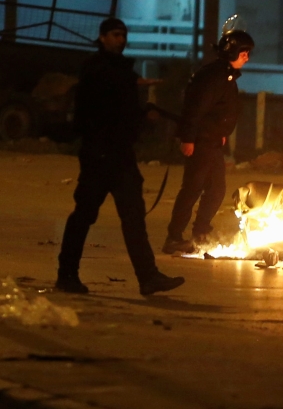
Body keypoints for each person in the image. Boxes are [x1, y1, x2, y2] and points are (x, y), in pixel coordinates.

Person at [56, 18, 185, 295]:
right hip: (99, 155)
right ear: (102, 37)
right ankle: (66, 275)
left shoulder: (122, 71)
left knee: (134, 218)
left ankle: (148, 277)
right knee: (84, 215)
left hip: (120, 156)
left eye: (123, 35)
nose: (120, 39)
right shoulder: (97, 70)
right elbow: (95, 114)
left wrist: (144, 118)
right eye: (115, 35)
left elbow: (125, 113)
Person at [162, 28, 254, 254]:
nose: (247, 58)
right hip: (201, 141)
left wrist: (221, 131)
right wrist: (188, 138)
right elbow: (195, 109)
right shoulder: (214, 76)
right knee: (192, 189)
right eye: (244, 53)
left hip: (212, 141)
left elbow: (220, 109)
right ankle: (174, 238)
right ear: (232, 51)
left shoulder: (226, 76)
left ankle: (200, 232)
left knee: (216, 190)